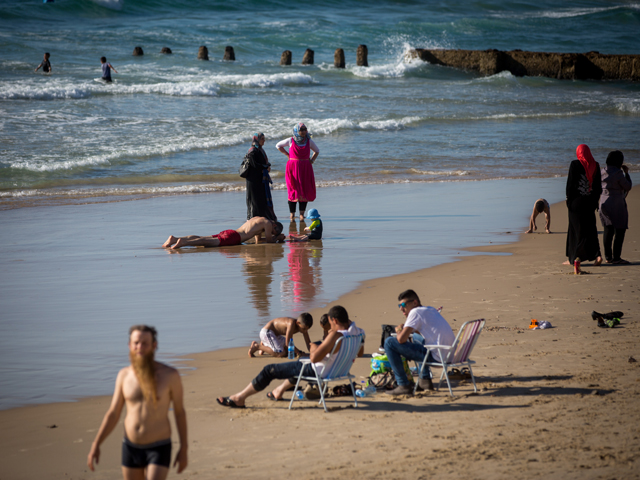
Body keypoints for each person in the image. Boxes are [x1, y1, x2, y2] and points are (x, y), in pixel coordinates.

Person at [87, 325, 188, 479]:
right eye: (136, 343)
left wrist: (184, 448)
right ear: (129, 345)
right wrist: (96, 444)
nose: (139, 347)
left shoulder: (170, 376)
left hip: (159, 446)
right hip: (130, 446)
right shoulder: (124, 376)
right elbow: (113, 413)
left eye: (145, 343)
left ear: (154, 346)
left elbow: (180, 413)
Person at [217, 305, 363, 407]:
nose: (330, 327)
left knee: (269, 370)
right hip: (341, 370)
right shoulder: (359, 332)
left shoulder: (336, 336)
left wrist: (313, 347)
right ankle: (278, 391)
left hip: (320, 371)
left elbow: (314, 358)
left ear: (335, 321)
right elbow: (360, 353)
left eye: (330, 323)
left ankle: (239, 398)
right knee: (300, 361)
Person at [383, 289, 455, 396]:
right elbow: (421, 331)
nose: (401, 308)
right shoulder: (430, 309)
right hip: (450, 354)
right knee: (417, 336)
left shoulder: (414, 312)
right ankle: (425, 381)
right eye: (399, 306)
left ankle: (403, 385)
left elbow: (401, 340)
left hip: (438, 356)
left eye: (403, 304)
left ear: (415, 302)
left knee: (389, 342)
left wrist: (399, 330)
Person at [565, 144, 603, 274]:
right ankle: (598, 256)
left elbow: (570, 185)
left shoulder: (575, 164)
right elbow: (598, 188)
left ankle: (575, 258)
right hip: (590, 202)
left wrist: (569, 202)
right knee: (591, 229)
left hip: (576, 203)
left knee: (576, 231)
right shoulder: (596, 165)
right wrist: (594, 203)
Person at [276, 122, 319, 221]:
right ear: (296, 131)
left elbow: (317, 151)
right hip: (293, 168)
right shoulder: (291, 140)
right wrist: (288, 155)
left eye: (305, 129)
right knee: (293, 190)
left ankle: (301, 214)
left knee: (304, 190)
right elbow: (278, 145)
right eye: (301, 130)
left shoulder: (309, 141)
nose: (304, 131)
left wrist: (312, 160)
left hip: (305, 168)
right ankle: (292, 214)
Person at [162, 217, 284, 249]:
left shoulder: (258, 220)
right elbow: (269, 241)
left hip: (231, 232)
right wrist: (278, 238)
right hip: (234, 237)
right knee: (206, 242)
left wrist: (274, 237)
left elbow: (259, 241)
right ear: (274, 226)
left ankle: (174, 239)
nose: (271, 233)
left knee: (203, 237)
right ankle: (182, 242)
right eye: (273, 232)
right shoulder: (267, 224)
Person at [599, 150, 632, 264]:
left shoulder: (602, 171)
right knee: (620, 229)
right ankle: (617, 257)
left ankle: (608, 257)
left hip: (603, 202)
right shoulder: (618, 173)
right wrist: (626, 173)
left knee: (608, 229)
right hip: (616, 203)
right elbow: (627, 186)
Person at [248, 313, 313, 358]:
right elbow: (288, 343)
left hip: (275, 335)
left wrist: (313, 352)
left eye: (307, 330)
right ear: (298, 323)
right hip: (267, 332)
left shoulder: (303, 327)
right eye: (304, 329)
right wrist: (299, 352)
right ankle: (257, 346)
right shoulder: (291, 324)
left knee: (287, 352)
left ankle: (265, 343)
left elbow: (308, 343)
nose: (305, 331)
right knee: (281, 354)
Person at [244, 132, 277, 221]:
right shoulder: (253, 151)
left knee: (261, 198)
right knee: (254, 199)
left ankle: (262, 217)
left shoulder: (259, 149)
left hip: (260, 179)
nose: (264, 140)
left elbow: (262, 163)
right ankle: (253, 218)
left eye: (264, 138)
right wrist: (266, 167)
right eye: (262, 139)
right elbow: (254, 165)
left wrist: (267, 166)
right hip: (253, 179)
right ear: (257, 140)